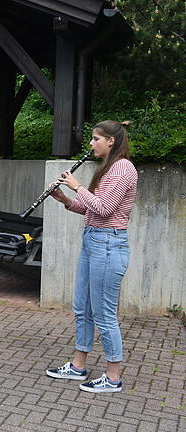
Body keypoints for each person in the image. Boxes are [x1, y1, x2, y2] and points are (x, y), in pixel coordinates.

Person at [45, 120, 138, 393]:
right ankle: (77, 366)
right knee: (82, 308)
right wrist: (64, 199)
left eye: (96, 138)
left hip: (109, 245)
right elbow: (91, 211)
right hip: (94, 241)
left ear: (111, 141)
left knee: (104, 314)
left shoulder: (123, 168)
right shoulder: (107, 168)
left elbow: (106, 209)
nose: (91, 144)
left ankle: (112, 377)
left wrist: (76, 186)